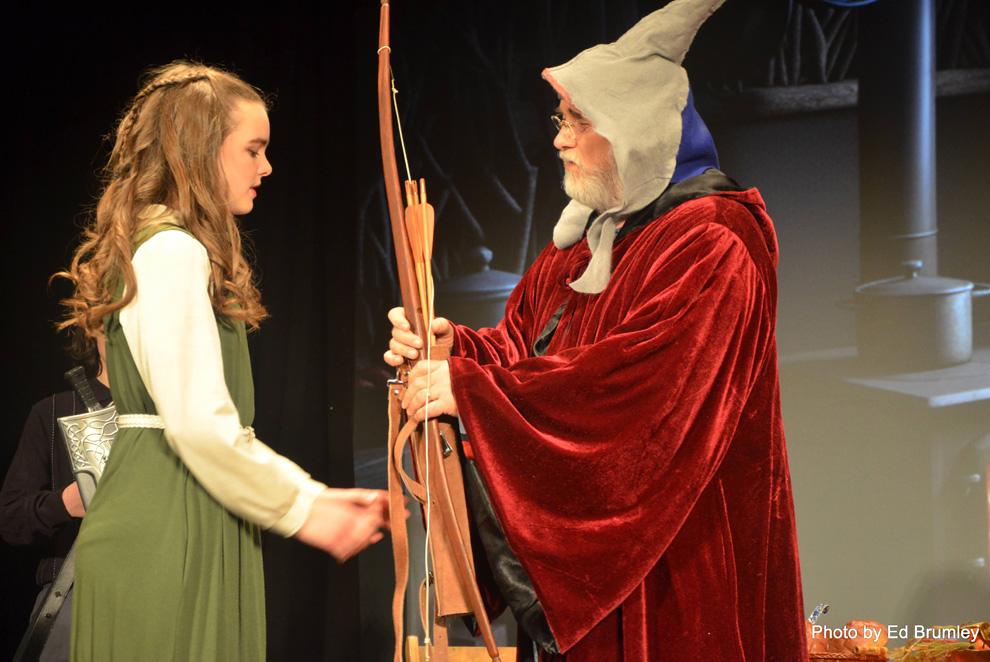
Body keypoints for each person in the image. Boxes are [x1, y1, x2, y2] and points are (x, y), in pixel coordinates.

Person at [384, 1, 808, 660]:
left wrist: (473, 392)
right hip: (599, 599)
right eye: (562, 119)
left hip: (679, 577)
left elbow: (639, 400)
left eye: (578, 121)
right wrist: (454, 349)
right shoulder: (586, 242)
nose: (559, 139)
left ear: (634, 129)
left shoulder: (714, 243)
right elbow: (522, 348)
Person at [52, 61, 388, 662]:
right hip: (168, 518)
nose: (267, 167)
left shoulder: (164, 247)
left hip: (187, 505)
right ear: (200, 152)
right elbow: (198, 422)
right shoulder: (171, 251)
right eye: (252, 150)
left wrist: (301, 500)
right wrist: (305, 507)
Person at [0, 337, 109, 662]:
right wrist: (65, 502)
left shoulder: (172, 419)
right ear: (93, 327)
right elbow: (11, 519)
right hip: (75, 601)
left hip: (160, 600)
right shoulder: (52, 412)